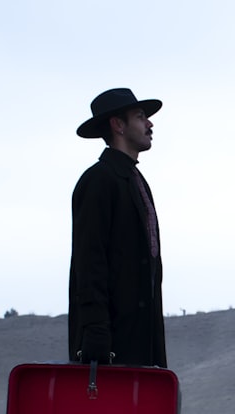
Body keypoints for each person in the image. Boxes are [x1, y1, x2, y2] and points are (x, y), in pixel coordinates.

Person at [68, 88, 167, 367]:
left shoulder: (135, 180)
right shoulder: (99, 180)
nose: (149, 124)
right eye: (140, 116)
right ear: (118, 125)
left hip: (141, 339)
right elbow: (89, 261)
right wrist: (96, 332)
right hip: (110, 344)